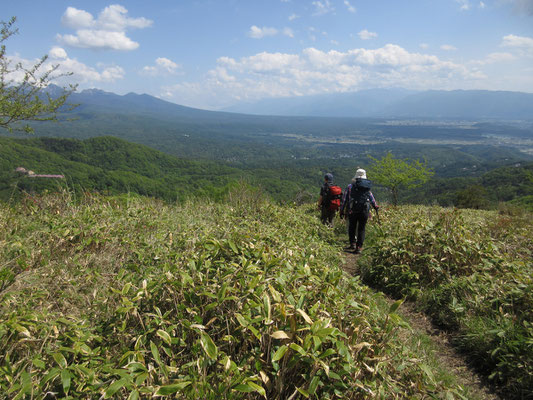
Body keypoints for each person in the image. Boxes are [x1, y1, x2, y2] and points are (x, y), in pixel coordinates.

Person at [339, 168, 379, 253]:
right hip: (364, 211)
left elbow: (344, 199)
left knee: (352, 227)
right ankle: (359, 247)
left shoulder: (350, 186)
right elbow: (371, 198)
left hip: (352, 210)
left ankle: (352, 243)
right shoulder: (367, 187)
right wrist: (375, 206)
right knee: (361, 228)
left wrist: (341, 210)